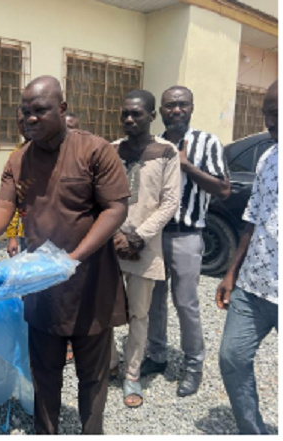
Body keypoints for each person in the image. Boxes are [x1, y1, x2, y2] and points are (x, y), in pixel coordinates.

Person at [0, 76, 130, 434]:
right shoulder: (19, 159)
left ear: (62, 109)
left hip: (90, 282)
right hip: (42, 286)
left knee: (93, 375)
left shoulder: (95, 150)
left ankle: (92, 431)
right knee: (44, 373)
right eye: (25, 112)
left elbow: (115, 209)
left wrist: (73, 257)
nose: (30, 119)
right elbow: (3, 206)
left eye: (39, 111)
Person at [141, 86, 230, 397]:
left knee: (186, 303)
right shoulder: (153, 145)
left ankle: (194, 365)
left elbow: (223, 189)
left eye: (181, 105)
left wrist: (187, 166)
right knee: (154, 300)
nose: (175, 110)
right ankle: (156, 355)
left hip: (187, 235)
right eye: (169, 106)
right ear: (161, 111)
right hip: (154, 237)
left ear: (191, 107)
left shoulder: (208, 143)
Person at [110, 90, 180, 408]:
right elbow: (101, 197)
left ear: (152, 116)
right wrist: (113, 235)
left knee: (139, 314)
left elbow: (169, 203)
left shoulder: (166, 152)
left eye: (136, 114)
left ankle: (132, 374)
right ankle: (109, 363)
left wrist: (138, 236)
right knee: (104, 309)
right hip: (110, 245)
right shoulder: (111, 150)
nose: (129, 119)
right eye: (125, 113)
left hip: (145, 247)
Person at [216, 80, 278, 434]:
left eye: (276, 114)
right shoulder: (268, 157)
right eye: (266, 113)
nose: (269, 122)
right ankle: (252, 431)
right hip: (254, 286)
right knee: (232, 358)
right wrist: (231, 273)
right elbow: (252, 218)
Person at [6, 108, 29, 258]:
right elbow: (13, 198)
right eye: (21, 121)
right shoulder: (16, 156)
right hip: (27, 231)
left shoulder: (57, 152)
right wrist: (12, 236)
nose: (26, 124)